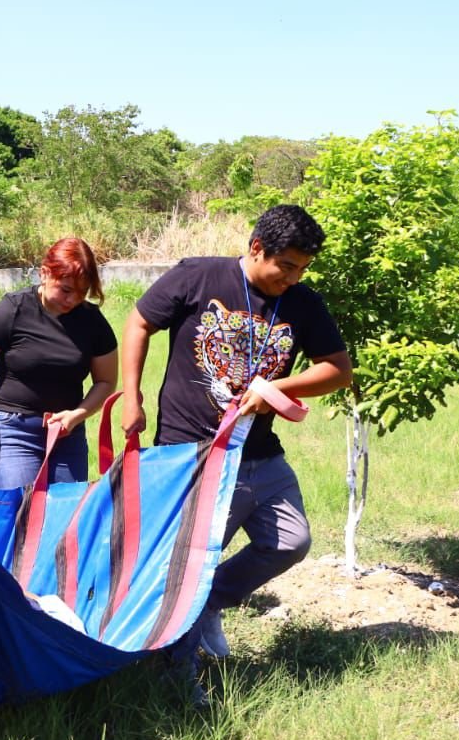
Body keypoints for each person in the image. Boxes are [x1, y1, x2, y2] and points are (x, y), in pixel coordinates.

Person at [120, 204, 353, 693]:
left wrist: (279, 388)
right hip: (192, 453)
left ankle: (208, 603)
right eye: (285, 266)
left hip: (259, 453)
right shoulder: (199, 277)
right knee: (187, 561)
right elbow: (138, 322)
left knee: (290, 541)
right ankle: (177, 680)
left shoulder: (303, 303)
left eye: (302, 269)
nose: (292, 278)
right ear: (255, 248)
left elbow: (337, 368)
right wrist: (132, 397)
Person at [0, 237, 118, 488]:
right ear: (44, 274)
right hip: (14, 431)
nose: (73, 299)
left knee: (65, 518)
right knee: (22, 513)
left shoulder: (92, 321)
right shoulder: (14, 310)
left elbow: (106, 381)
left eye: (82, 292)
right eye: (65, 289)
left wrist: (76, 416)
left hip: (68, 435)